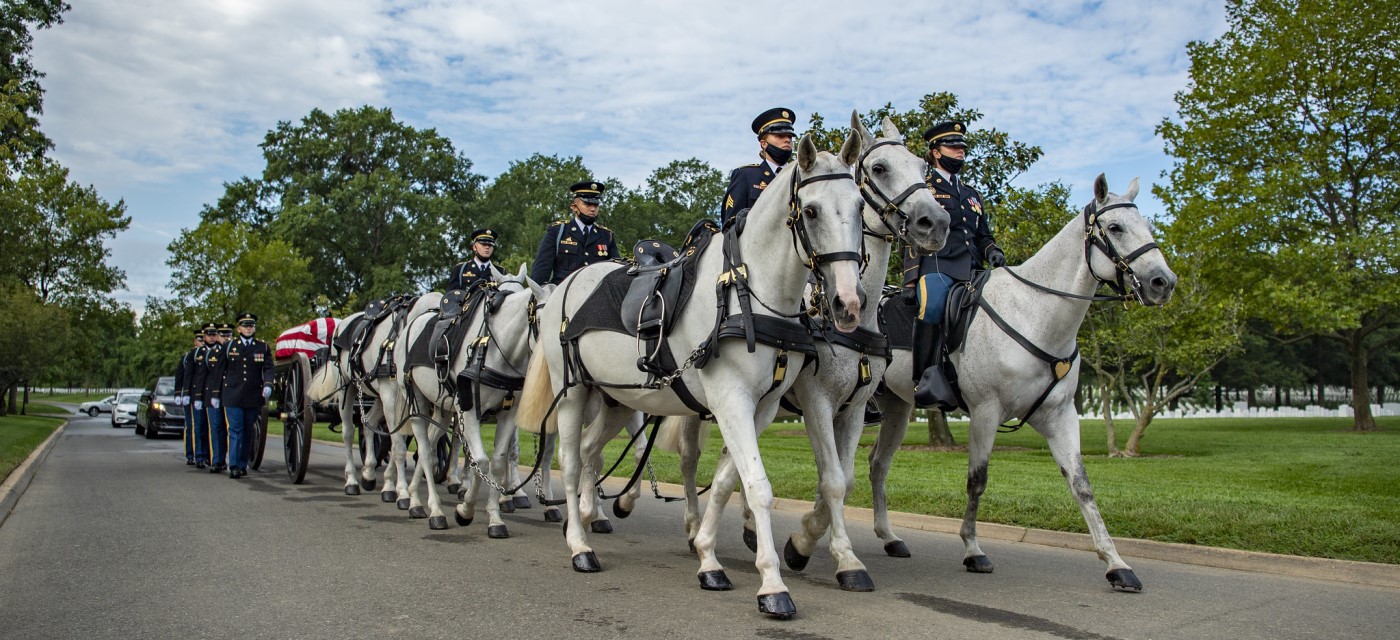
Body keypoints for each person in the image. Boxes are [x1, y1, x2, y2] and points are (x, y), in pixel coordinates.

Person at [903, 121, 1006, 409]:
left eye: (962, 148)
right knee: (932, 306)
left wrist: (992, 250)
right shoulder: (924, 190)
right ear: (936, 152)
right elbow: (912, 235)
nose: (960, 152)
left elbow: (982, 234)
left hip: (973, 269)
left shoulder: (972, 193)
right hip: (938, 267)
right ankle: (924, 379)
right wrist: (911, 280)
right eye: (953, 147)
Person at [212, 312, 274, 479]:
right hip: (232, 395)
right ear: (239, 328)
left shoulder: (263, 347)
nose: (248, 328)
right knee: (235, 430)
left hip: (253, 396)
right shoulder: (229, 346)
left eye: (251, 325)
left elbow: (268, 368)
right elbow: (219, 371)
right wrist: (216, 395)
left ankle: (242, 463)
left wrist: (268, 384)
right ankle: (233, 465)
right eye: (245, 325)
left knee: (248, 431)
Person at [530, 180, 619, 285]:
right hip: (563, 294)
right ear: (574, 207)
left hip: (596, 294)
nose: (593, 209)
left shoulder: (606, 235)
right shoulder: (558, 231)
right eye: (587, 204)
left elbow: (616, 271)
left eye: (596, 205)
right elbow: (542, 269)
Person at [720, 107, 796, 228]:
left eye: (789, 136)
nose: (787, 140)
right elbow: (730, 226)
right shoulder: (746, 175)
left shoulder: (798, 176)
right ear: (764, 143)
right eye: (780, 135)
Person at [203, 322, 232, 474]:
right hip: (214, 395)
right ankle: (217, 460)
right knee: (216, 428)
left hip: (230, 394)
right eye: (223, 335)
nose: (226, 338)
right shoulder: (212, 354)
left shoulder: (235, 352)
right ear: (218, 337)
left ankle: (230, 460)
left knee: (231, 428)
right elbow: (205, 377)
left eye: (228, 335)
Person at [188, 323, 217, 469]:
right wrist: (188, 394)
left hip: (213, 394)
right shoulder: (196, 353)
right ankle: (200, 456)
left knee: (214, 427)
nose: (212, 337)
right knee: (199, 427)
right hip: (199, 394)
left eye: (214, 335)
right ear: (204, 336)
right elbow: (191, 376)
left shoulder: (220, 351)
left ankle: (213, 457)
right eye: (209, 335)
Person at [174, 330, 202, 465]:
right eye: (199, 339)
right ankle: (191, 454)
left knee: (202, 426)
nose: (202, 341)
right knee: (191, 426)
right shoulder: (187, 357)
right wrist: (179, 393)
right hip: (190, 395)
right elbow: (180, 376)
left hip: (203, 395)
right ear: (195, 341)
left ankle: (202, 454)